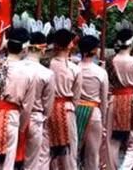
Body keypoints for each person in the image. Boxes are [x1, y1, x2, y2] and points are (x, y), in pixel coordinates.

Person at [0, 14, 36, 170]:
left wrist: (3, 46)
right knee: (6, 166)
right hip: (11, 119)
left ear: (7, 43)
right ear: (25, 47)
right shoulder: (28, 72)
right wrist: (21, 126)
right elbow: (27, 107)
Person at [106, 20, 133, 170]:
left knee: (112, 140)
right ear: (131, 43)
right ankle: (126, 167)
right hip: (131, 101)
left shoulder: (110, 61)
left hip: (113, 101)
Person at [20, 16, 55, 170]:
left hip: (13, 116)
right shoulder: (47, 73)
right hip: (35, 118)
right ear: (43, 48)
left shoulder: (11, 66)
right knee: (32, 162)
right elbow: (48, 105)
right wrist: (44, 117)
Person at [47, 16, 82, 170]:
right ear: (70, 45)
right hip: (66, 109)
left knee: (49, 151)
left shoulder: (46, 65)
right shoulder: (74, 69)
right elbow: (76, 97)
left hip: (48, 110)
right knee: (69, 149)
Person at [76, 24, 108, 170]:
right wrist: (105, 121)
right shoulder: (100, 72)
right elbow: (104, 99)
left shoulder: (74, 68)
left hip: (76, 111)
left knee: (74, 152)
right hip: (94, 113)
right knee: (92, 154)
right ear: (95, 50)